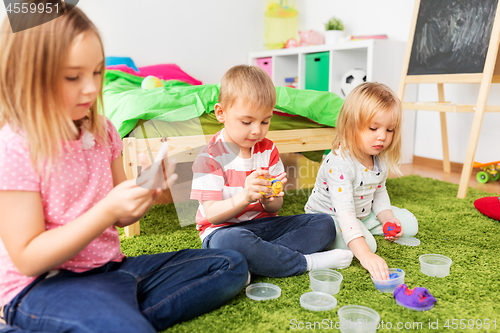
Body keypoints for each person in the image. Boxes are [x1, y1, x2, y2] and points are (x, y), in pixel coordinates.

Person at [0, 8, 248, 333]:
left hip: (114, 271)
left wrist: (143, 192)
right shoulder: (15, 146)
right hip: (44, 286)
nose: (90, 89)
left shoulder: (103, 132)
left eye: (96, 72)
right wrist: (107, 210)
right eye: (74, 76)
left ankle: (108, 317)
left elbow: (121, 217)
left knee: (230, 264)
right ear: (28, 75)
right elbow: (29, 258)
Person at [190, 65, 353, 278]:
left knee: (324, 224)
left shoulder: (268, 150)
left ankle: (255, 261)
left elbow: (275, 207)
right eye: (247, 122)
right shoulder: (210, 156)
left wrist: (270, 198)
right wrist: (245, 197)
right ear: (221, 113)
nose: (257, 130)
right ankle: (306, 262)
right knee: (229, 243)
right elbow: (212, 214)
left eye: (265, 121)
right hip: (223, 231)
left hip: (264, 227)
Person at [305, 82, 418, 280]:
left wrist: (387, 219)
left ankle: (364, 231)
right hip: (329, 219)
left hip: (362, 214)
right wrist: (365, 255)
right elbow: (345, 214)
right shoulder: (340, 163)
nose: (382, 137)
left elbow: (379, 191)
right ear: (350, 125)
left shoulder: (378, 156)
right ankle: (345, 240)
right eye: (373, 128)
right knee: (368, 246)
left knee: (409, 225)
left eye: (389, 130)